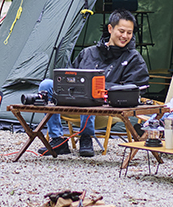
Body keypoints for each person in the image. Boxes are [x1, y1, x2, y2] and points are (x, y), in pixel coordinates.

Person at [37, 9, 149, 157]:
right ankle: (57, 140)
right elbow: (69, 76)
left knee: (90, 90)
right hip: (74, 101)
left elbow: (137, 89)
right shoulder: (89, 52)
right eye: (121, 31)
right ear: (110, 28)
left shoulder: (134, 58)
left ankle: (86, 137)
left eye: (129, 33)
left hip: (107, 107)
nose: (125, 36)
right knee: (47, 85)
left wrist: (103, 89)